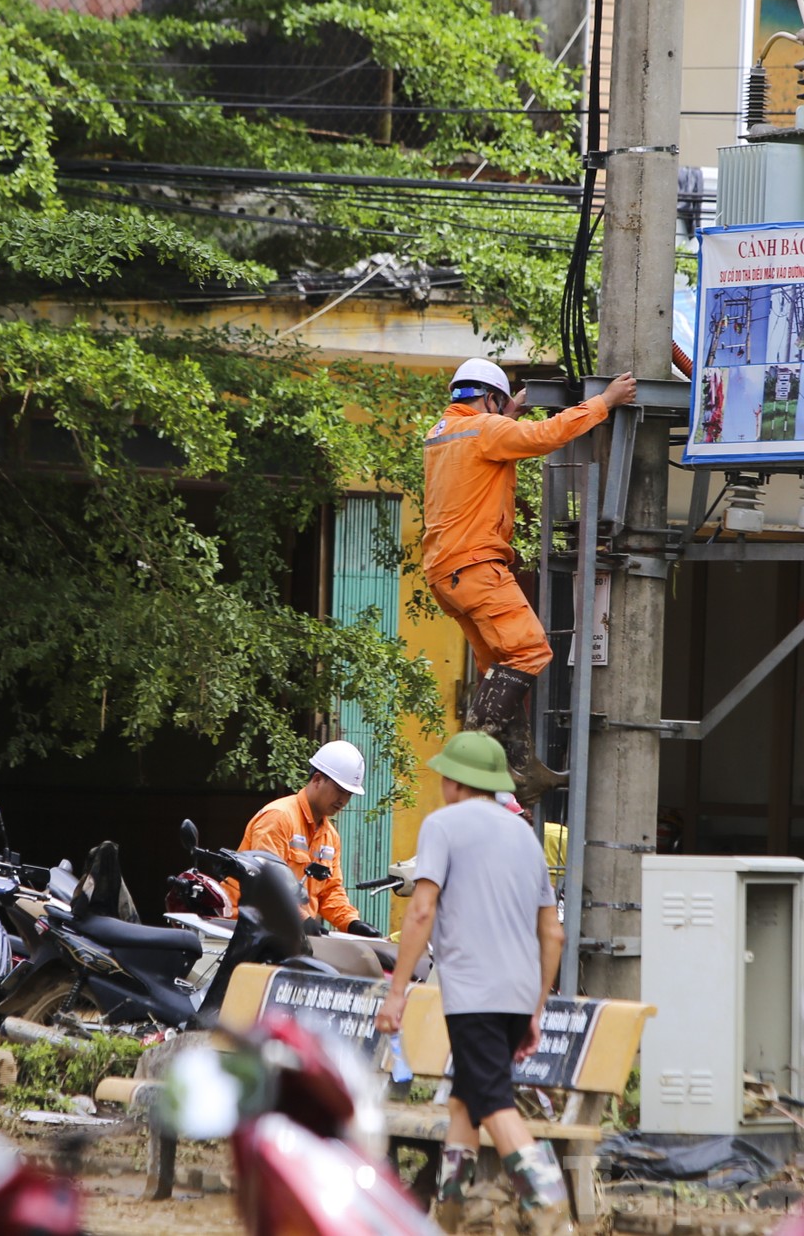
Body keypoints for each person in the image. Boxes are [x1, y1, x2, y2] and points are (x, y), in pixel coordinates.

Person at [376, 731, 571, 1236]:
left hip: (473, 994)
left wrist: (396, 992)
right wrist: (536, 1009)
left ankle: (550, 1209)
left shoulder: (443, 826)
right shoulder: (525, 836)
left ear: (457, 782)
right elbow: (553, 932)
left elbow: (421, 909)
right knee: (467, 1097)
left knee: (494, 1102)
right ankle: (451, 1212)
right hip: (517, 992)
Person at [423, 357, 637, 804]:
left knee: (499, 667)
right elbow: (545, 437)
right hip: (477, 565)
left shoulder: (443, 433)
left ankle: (520, 771)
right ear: (490, 399)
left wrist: (506, 415)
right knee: (528, 650)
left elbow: (487, 443)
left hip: (447, 574)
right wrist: (605, 401)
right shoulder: (486, 430)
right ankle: (472, 756)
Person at [224, 739, 377, 937]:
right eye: (340, 790)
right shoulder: (279, 817)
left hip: (288, 934)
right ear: (317, 779)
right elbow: (267, 884)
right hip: (243, 929)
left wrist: (351, 923)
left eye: (349, 794)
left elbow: (330, 892)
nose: (343, 800)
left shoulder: (330, 836)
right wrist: (302, 919)